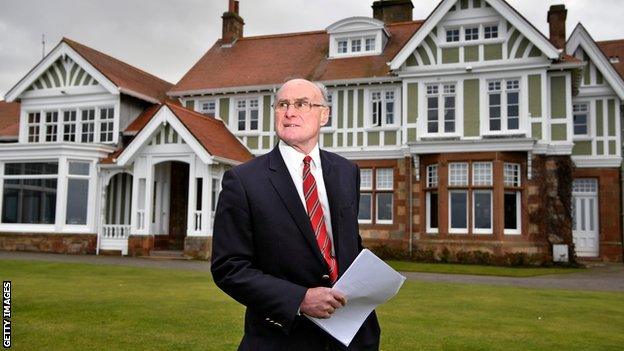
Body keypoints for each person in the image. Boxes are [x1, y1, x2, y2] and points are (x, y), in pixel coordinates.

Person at [211, 78, 380, 350]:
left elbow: (348, 244)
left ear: (324, 115)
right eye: (282, 105)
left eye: (302, 104)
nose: (290, 112)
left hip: (354, 337)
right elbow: (229, 267)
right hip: (282, 338)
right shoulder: (243, 181)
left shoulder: (347, 171)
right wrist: (299, 299)